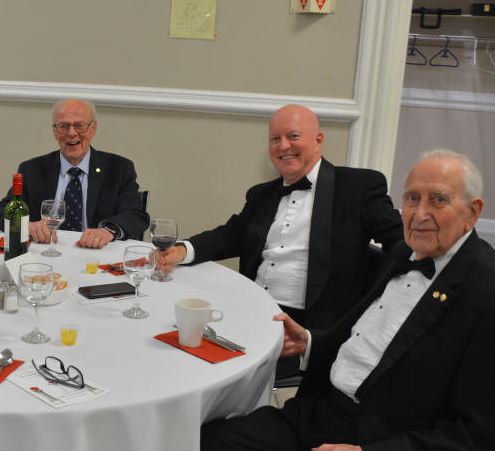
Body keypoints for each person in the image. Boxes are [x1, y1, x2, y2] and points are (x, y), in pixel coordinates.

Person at [174, 149, 495, 451]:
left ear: (473, 211)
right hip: (326, 413)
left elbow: (479, 437)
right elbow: (367, 340)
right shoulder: (405, 254)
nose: (419, 214)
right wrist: (311, 343)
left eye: (438, 199)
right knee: (208, 447)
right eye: (412, 198)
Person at [157, 104, 402, 379]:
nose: (284, 146)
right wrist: (182, 250)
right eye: (275, 139)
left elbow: (400, 241)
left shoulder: (358, 187)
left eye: (293, 136)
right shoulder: (262, 194)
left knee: (212, 372)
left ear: (318, 140)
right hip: (248, 311)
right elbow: (230, 235)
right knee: (172, 342)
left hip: (302, 330)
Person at [0, 98, 149, 249]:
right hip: (45, 254)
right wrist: (26, 226)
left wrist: (108, 231)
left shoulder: (118, 168)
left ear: (93, 129)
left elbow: (135, 214)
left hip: (96, 255)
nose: (71, 133)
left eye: (79, 125)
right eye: (63, 126)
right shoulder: (32, 169)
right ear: (55, 131)